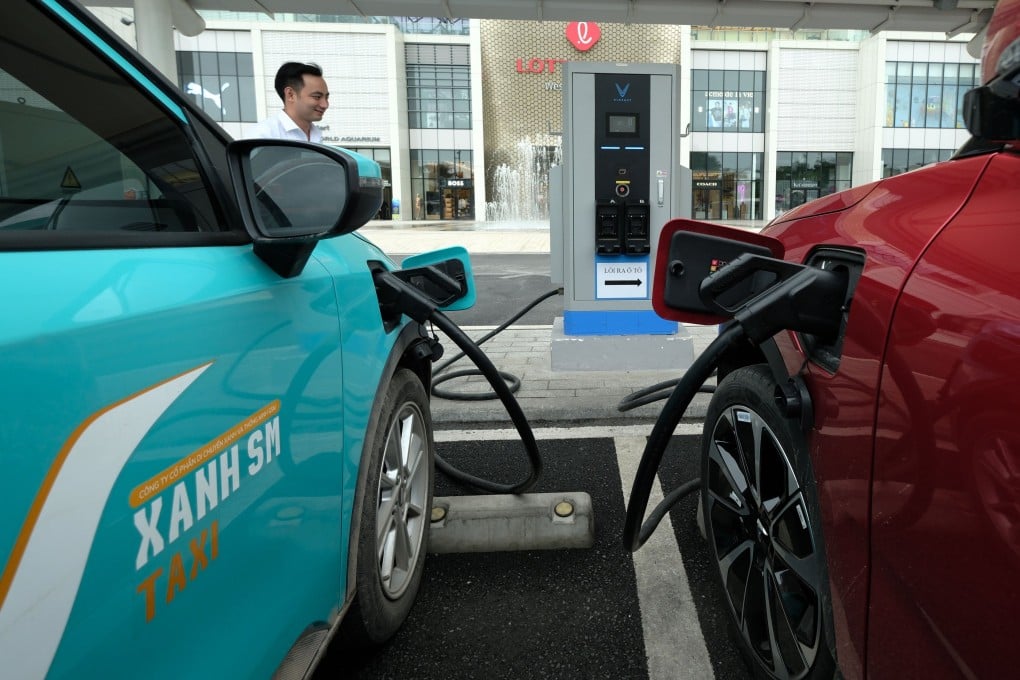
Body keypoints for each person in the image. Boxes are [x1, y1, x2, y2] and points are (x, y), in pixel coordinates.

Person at [249, 62, 329, 142]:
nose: (325, 105)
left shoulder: (316, 134)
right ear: (290, 95)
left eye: (326, 97)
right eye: (317, 97)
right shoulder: (263, 135)